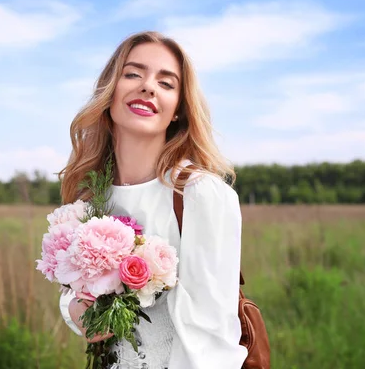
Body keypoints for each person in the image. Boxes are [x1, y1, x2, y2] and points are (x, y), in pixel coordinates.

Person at [58, 31, 248, 368]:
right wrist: (77, 310)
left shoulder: (201, 195)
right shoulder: (92, 196)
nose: (148, 87)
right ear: (109, 92)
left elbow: (211, 340)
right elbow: (71, 290)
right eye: (133, 74)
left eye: (167, 83)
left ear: (178, 109)